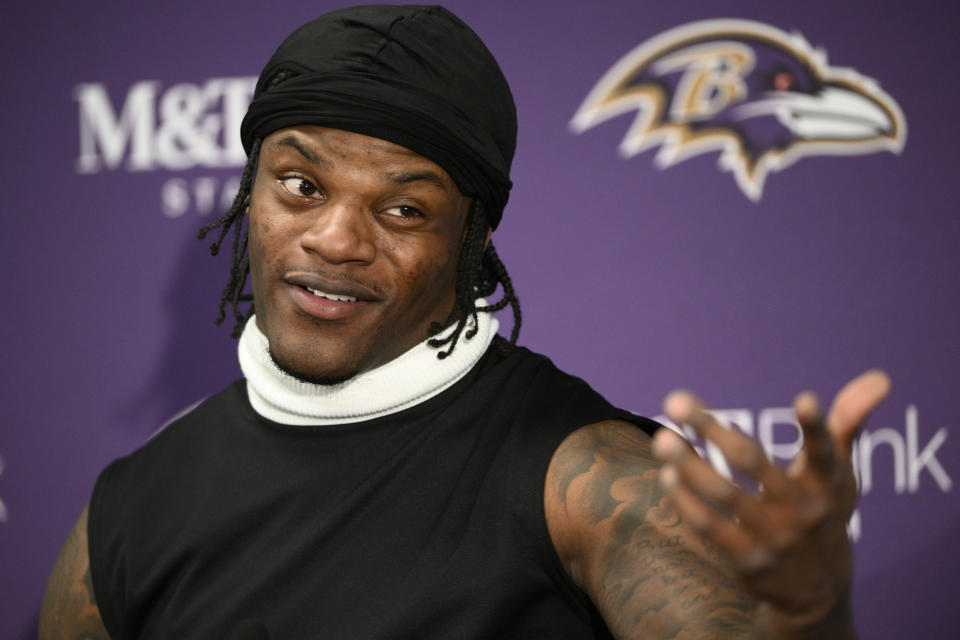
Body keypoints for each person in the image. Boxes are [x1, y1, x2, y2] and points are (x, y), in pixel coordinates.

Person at [39, 5, 890, 639]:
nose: (335, 239)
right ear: (249, 193)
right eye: (300, 185)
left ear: (471, 238)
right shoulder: (128, 512)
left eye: (403, 208)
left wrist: (809, 613)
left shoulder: (588, 480)